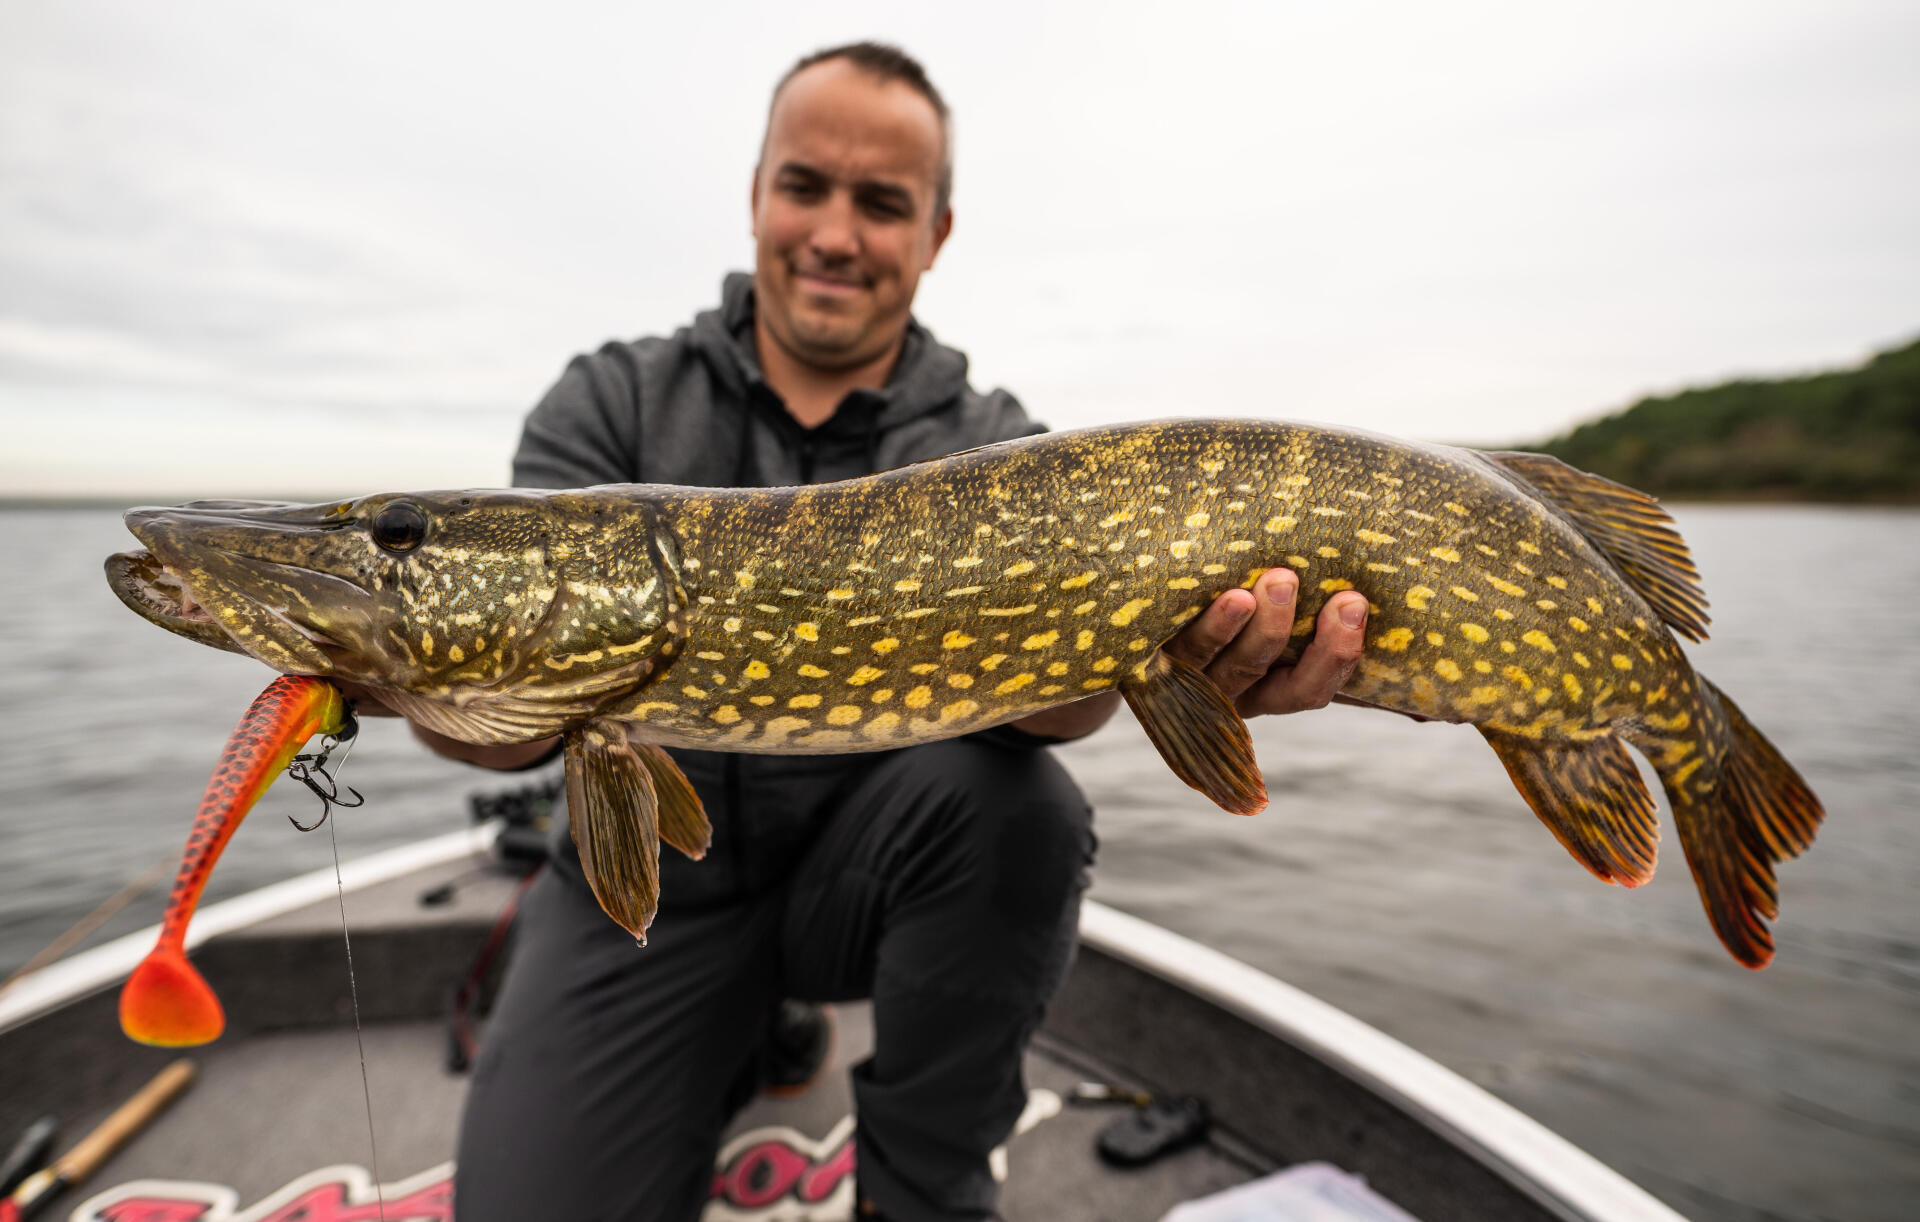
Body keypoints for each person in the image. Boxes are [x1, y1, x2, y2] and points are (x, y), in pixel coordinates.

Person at [378, 42, 1369, 1222]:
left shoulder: (998, 444)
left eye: (882, 203)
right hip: (644, 903)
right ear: (757, 193)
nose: (836, 233)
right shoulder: (615, 405)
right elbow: (505, 737)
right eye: (806, 187)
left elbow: (1063, 705)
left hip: (875, 887)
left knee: (1025, 811)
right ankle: (741, 1031)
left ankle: (923, 1185)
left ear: (936, 232)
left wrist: (1179, 654)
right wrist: (402, 658)